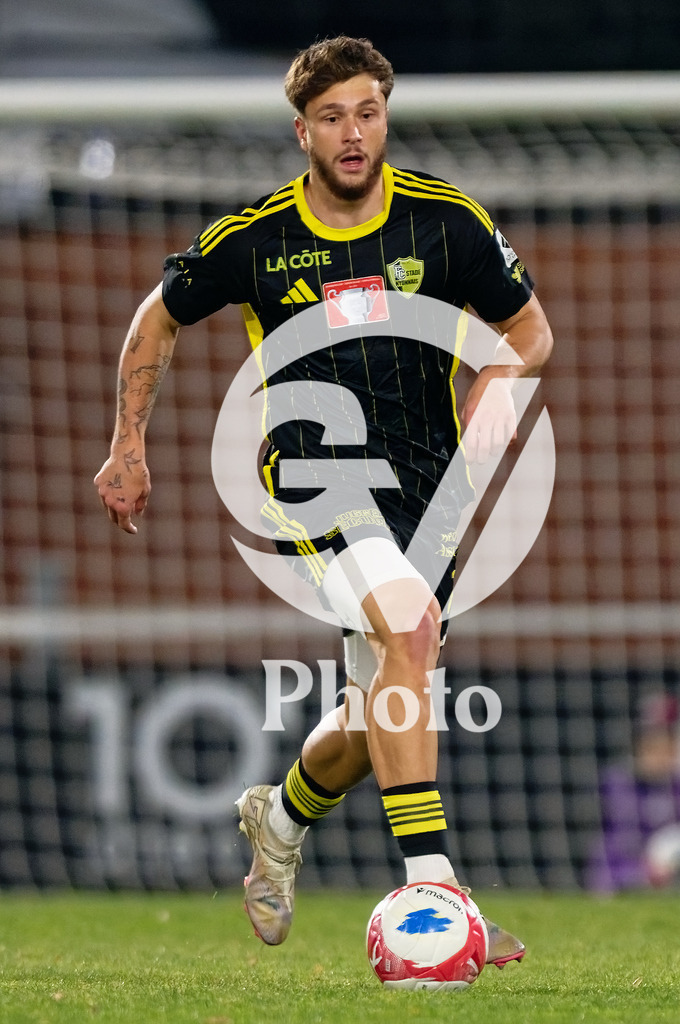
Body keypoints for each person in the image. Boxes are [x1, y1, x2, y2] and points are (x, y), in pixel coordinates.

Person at [94, 36, 553, 966]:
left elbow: (532, 332)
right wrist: (126, 444)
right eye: (334, 117)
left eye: (369, 112)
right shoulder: (256, 237)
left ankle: (279, 820)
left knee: (377, 704)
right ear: (303, 131)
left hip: (427, 490)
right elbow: (159, 315)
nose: (355, 133)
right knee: (411, 631)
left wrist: (495, 389)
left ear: (386, 116)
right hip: (312, 480)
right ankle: (434, 885)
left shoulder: (444, 222)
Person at [586, 694, 680, 894]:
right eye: (651, 747)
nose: (659, 756)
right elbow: (618, 848)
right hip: (617, 880)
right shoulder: (617, 784)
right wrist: (645, 871)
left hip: (674, 884)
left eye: (666, 747)